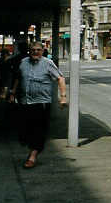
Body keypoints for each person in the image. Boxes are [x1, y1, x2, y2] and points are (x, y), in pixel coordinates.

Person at [8, 41, 67, 169]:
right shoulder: (24, 62)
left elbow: (60, 79)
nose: (35, 52)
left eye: (38, 50)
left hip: (41, 103)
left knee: (39, 130)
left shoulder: (48, 63)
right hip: (25, 101)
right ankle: (32, 147)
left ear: (42, 51)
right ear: (29, 51)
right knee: (24, 130)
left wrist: (62, 97)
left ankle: (32, 156)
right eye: (33, 50)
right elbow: (18, 78)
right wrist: (12, 93)